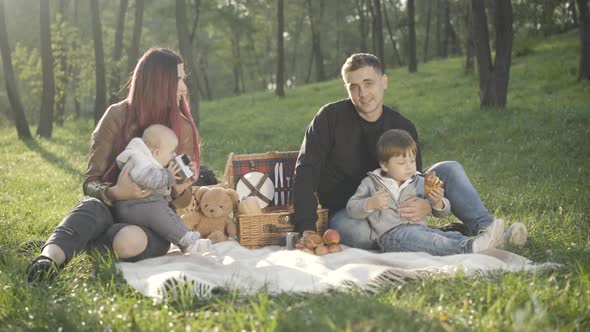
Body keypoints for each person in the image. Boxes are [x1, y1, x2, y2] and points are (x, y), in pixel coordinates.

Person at [293, 53, 527, 250]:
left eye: (368, 83)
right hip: (352, 212)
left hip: (399, 204)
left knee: (450, 169)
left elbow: (415, 177)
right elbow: (306, 170)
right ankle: (442, 239)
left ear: (384, 81)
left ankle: (490, 231)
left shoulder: (403, 126)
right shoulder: (329, 118)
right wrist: (306, 227)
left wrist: (426, 205)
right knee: (355, 233)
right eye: (353, 86)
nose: (362, 93)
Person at [26, 48, 201, 282]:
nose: (183, 86)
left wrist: (180, 189)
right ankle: (48, 259)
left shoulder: (182, 128)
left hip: (151, 220)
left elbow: (182, 201)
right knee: (89, 209)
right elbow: (90, 182)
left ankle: (78, 240)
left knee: (131, 239)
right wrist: (116, 192)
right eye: (178, 78)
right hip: (108, 210)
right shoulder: (116, 116)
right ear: (160, 81)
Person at [346, 129, 504, 255]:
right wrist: (370, 203)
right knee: (434, 242)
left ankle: (479, 242)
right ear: (385, 165)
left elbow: (443, 212)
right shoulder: (371, 183)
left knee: (443, 237)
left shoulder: (419, 182)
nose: (409, 167)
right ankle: (468, 247)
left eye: (412, 161)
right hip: (391, 236)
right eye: (401, 163)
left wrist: (437, 203)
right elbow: (352, 208)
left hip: (421, 229)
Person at [114, 124, 212, 254]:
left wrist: (178, 180)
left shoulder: (149, 159)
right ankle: (186, 239)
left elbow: (156, 189)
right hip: (133, 207)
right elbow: (148, 180)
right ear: (156, 153)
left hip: (145, 204)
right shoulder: (139, 160)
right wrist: (168, 175)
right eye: (171, 152)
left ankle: (187, 242)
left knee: (169, 214)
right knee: (160, 214)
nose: (174, 155)